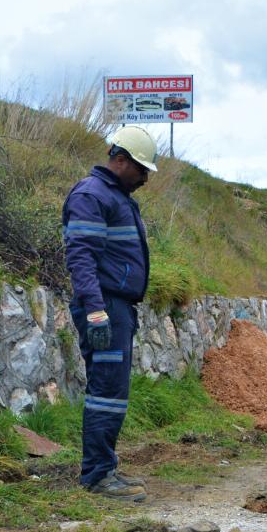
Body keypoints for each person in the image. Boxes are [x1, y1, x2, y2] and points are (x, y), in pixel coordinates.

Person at [62, 126, 158, 502]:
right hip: (104, 305)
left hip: (115, 306)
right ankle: (98, 476)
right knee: (106, 392)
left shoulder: (114, 196)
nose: (146, 178)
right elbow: (80, 255)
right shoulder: (92, 195)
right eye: (141, 168)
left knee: (113, 391)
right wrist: (96, 310)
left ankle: (103, 468)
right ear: (120, 161)